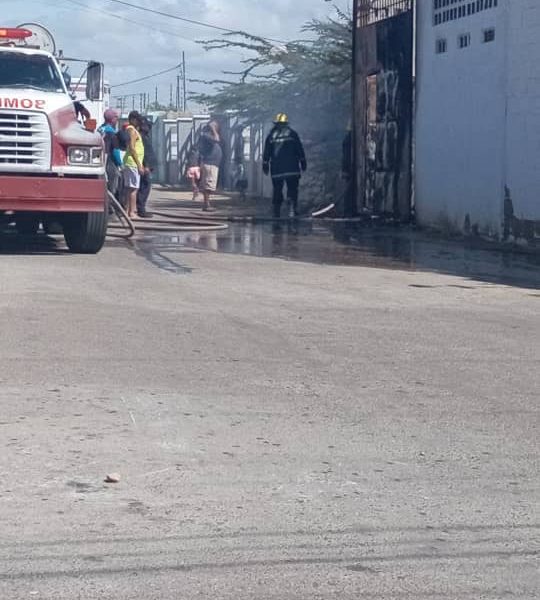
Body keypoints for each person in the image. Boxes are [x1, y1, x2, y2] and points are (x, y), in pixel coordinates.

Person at [262, 113, 307, 218]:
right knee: (292, 189)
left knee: (277, 189)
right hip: (292, 168)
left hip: (277, 170)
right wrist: (303, 162)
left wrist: (265, 165)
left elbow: (267, 152)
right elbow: (299, 149)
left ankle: (276, 211)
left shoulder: (271, 136)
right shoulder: (293, 134)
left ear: (276, 124)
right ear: (286, 123)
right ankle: (292, 208)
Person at [122, 111, 145, 220]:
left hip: (130, 162)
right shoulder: (132, 130)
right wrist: (139, 164)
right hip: (133, 163)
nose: (138, 122)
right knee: (133, 189)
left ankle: (126, 211)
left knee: (129, 188)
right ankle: (132, 212)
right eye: (137, 120)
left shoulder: (131, 129)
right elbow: (132, 147)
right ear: (132, 119)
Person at [198, 120, 222, 212]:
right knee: (208, 185)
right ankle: (206, 205)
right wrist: (213, 129)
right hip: (210, 163)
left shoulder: (207, 136)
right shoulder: (207, 135)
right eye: (216, 126)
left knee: (209, 185)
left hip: (211, 163)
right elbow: (217, 139)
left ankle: (207, 204)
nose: (217, 128)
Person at [98, 108, 123, 198]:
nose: (117, 121)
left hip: (99, 160)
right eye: (116, 118)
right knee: (113, 184)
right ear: (112, 119)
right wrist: (120, 164)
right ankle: (110, 203)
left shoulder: (100, 130)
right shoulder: (111, 133)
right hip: (110, 162)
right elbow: (115, 151)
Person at [136, 117, 157, 218]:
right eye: (148, 126)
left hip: (147, 166)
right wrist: (146, 166)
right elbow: (142, 153)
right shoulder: (141, 137)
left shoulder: (145, 136)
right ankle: (141, 209)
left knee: (145, 187)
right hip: (145, 166)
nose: (149, 127)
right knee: (144, 187)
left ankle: (141, 208)